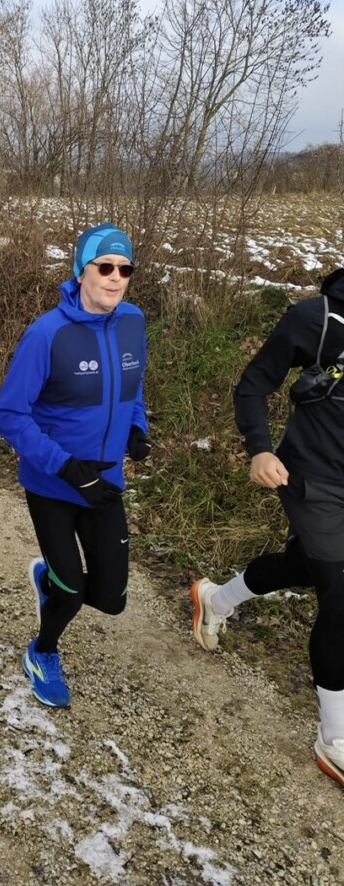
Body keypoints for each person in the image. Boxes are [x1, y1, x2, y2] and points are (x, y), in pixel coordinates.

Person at [191, 266, 344, 788]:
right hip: (314, 479)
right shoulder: (319, 319)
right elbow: (254, 384)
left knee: (305, 568)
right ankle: (334, 738)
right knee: (339, 596)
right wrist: (259, 448)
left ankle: (217, 600)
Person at [0, 222, 149, 709]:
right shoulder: (48, 334)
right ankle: (42, 651)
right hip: (53, 483)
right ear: (82, 271)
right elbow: (10, 414)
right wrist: (64, 467)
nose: (116, 277)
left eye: (125, 269)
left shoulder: (133, 321)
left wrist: (138, 427)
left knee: (111, 598)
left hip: (104, 481)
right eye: (105, 267)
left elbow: (134, 385)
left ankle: (49, 581)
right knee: (72, 592)